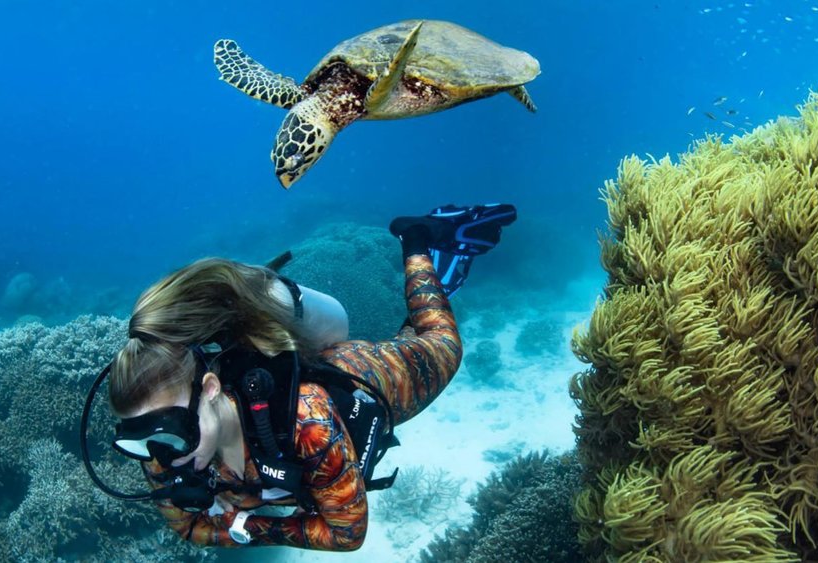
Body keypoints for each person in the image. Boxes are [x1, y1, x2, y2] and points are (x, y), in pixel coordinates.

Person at [81, 203, 516, 550]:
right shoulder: (161, 448)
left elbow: (348, 534)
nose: (163, 456)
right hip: (293, 379)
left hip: (362, 377)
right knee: (418, 328)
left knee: (441, 343)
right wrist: (243, 518)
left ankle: (417, 238)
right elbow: (187, 528)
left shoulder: (306, 418)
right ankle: (436, 287)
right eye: (136, 440)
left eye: (172, 431)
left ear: (209, 389)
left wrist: (244, 524)